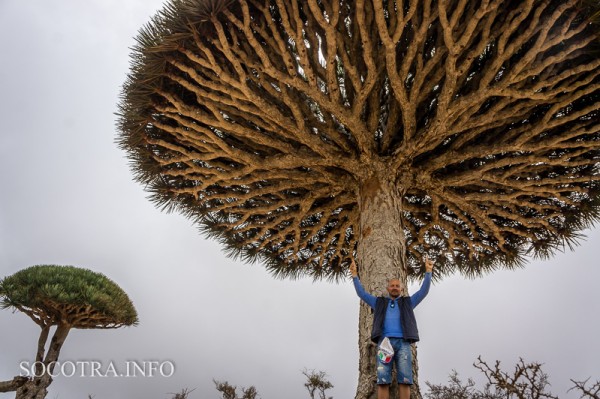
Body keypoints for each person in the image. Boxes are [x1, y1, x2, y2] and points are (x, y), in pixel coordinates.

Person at [349, 258, 434, 399]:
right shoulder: (379, 302)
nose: (395, 287)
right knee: (383, 380)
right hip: (384, 343)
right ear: (388, 289)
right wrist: (354, 275)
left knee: (405, 379)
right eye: (392, 285)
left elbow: (423, 292)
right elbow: (362, 294)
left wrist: (428, 271)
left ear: (401, 289)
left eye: (397, 286)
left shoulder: (408, 302)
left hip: (404, 343)